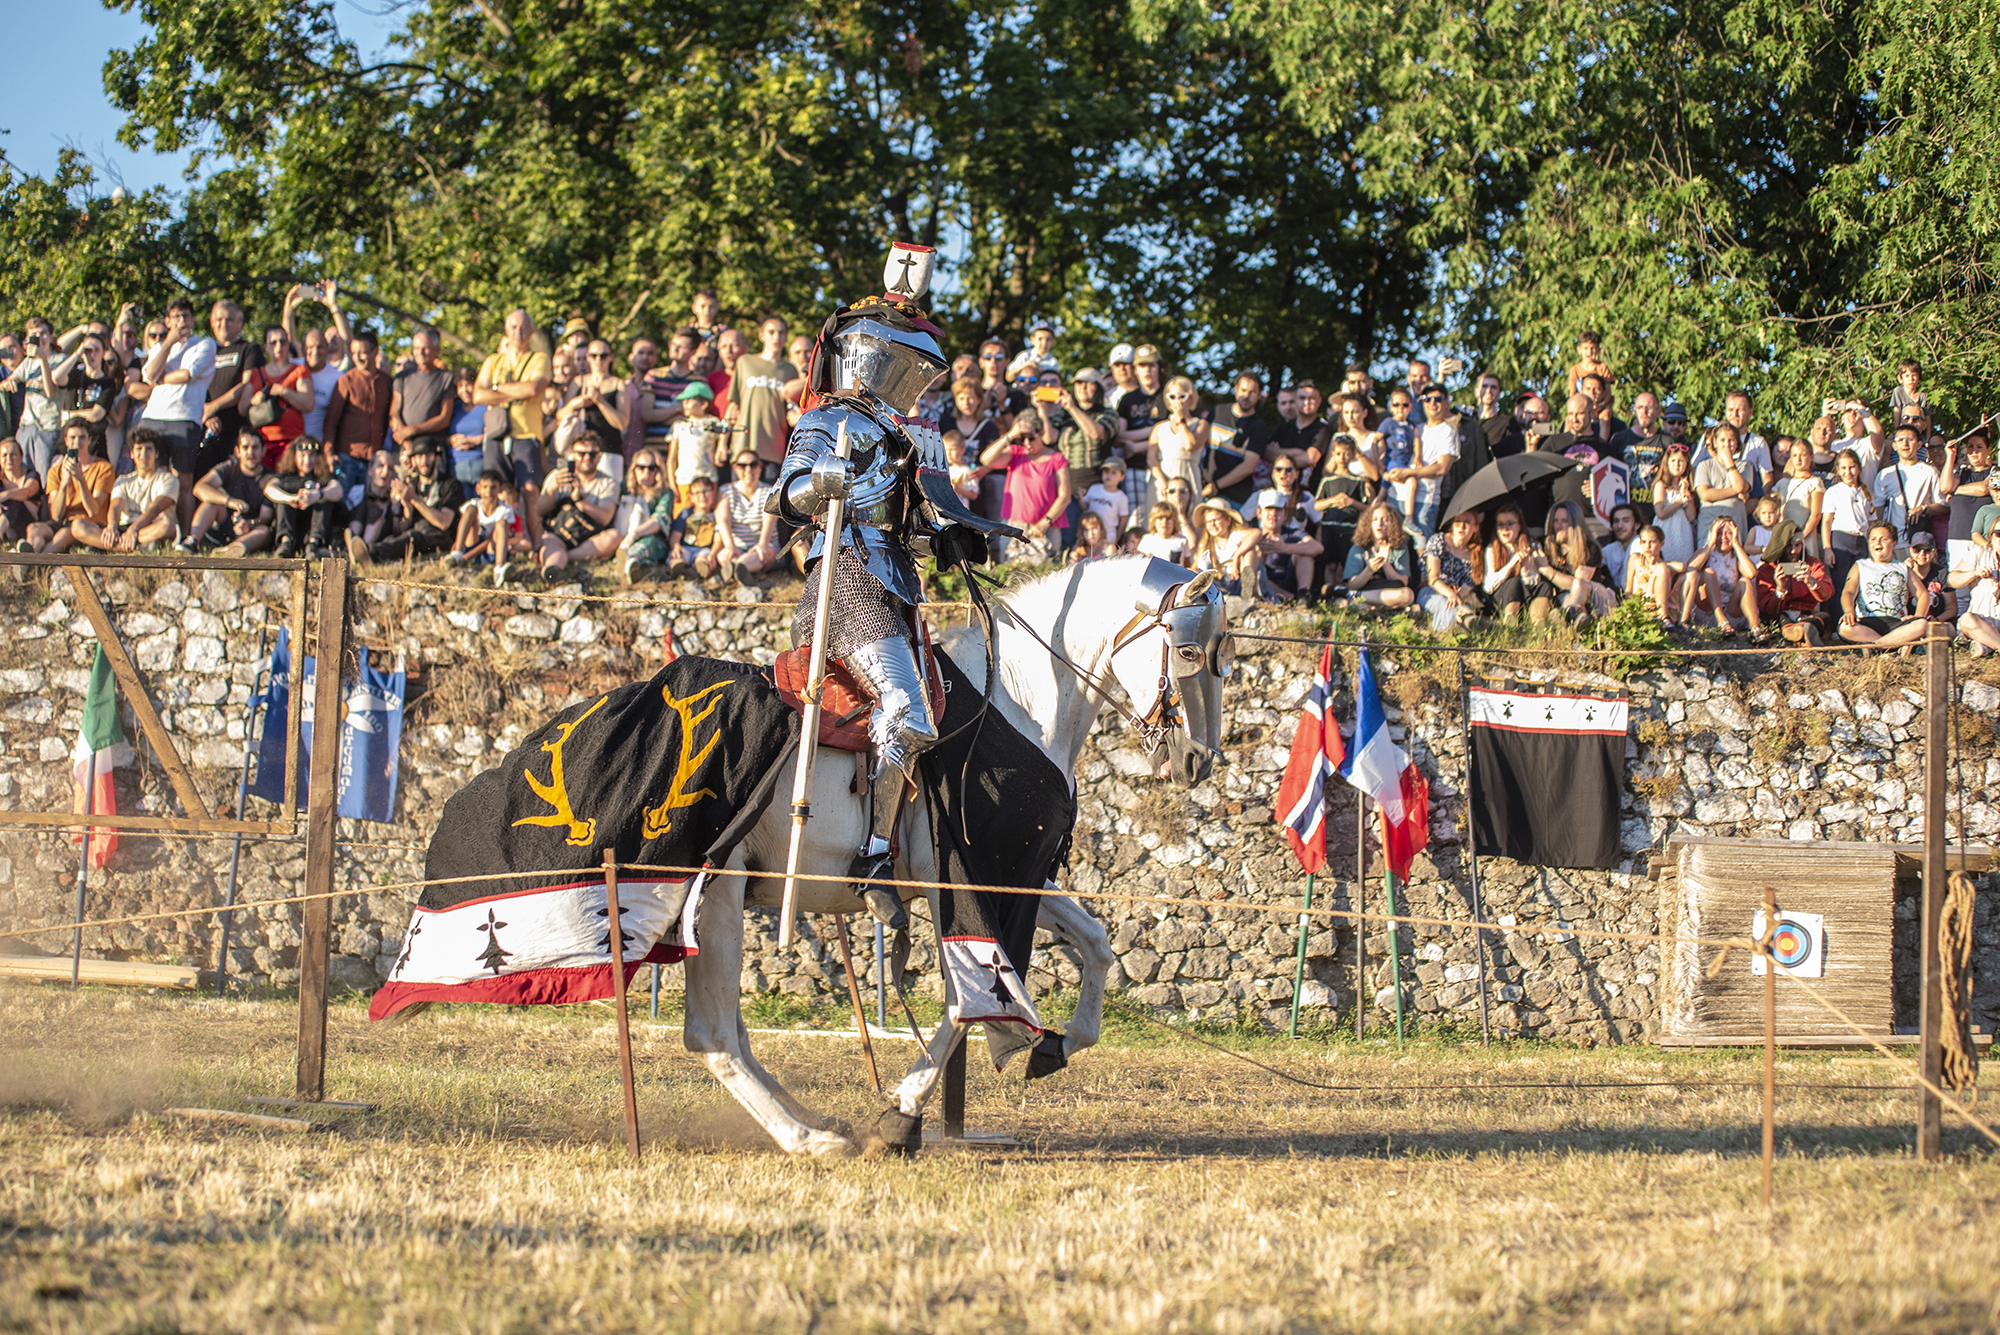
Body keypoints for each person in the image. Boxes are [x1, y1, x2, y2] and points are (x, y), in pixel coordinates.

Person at [772, 253, 1013, 924]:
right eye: (889, 360)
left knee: (952, 711)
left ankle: (925, 847)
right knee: (909, 713)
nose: (901, 375)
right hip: (845, 578)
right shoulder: (826, 422)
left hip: (898, 589)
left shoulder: (914, 437)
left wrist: (958, 536)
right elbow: (782, 497)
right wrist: (825, 482)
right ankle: (874, 853)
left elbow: (928, 522)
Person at [137, 297, 217, 531]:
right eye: (176, 317)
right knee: (155, 477)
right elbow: (149, 373)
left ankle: (186, 535)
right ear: (168, 320)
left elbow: (186, 375)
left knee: (183, 481)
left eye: (186, 316)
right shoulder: (159, 348)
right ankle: (155, 531)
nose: (182, 321)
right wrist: (169, 341)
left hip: (184, 419)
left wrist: (160, 379)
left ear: (192, 319)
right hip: (153, 417)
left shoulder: (204, 344)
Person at [475, 309, 553, 545]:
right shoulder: (493, 360)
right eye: (513, 327)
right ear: (506, 331)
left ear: (530, 331)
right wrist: (514, 390)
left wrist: (497, 389)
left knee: (530, 491)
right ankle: (495, 549)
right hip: (497, 435)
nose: (518, 332)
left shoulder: (539, 359)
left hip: (526, 434)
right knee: (495, 492)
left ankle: (538, 545)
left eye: (523, 327)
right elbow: (478, 394)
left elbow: (533, 389)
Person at [348, 439, 464, 563]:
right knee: (401, 536)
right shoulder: (411, 483)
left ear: (437, 458)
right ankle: (358, 549)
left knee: (414, 536)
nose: (424, 461)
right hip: (413, 535)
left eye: (429, 455)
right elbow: (403, 528)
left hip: (438, 536)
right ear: (413, 460)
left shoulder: (450, 484)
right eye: (419, 456)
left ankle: (371, 553)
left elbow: (444, 523)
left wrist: (414, 498)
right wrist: (406, 509)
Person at [979, 411, 1070, 563]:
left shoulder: (1056, 458)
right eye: (1022, 439)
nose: (1027, 443)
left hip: (1047, 526)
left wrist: (1045, 522)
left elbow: (1065, 496)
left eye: (1031, 438)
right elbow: (986, 460)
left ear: (1041, 433)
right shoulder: (1016, 453)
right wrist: (1010, 435)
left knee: (1047, 575)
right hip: (1014, 525)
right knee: (1011, 575)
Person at [74, 428, 177, 552]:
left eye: (149, 449)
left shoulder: (168, 479)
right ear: (132, 454)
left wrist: (134, 529)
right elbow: (116, 506)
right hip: (125, 529)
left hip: (149, 526)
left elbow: (155, 509)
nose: (144, 454)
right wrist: (112, 527)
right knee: (78, 526)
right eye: (139, 449)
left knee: (167, 526)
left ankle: (111, 547)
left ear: (156, 453)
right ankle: (131, 547)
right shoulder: (123, 480)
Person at [535, 432, 621, 578]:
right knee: (550, 542)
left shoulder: (609, 483)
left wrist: (579, 499)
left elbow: (605, 517)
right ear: (572, 456)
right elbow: (540, 511)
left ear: (599, 457)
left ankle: (566, 556)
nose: (588, 458)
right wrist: (550, 490)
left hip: (588, 538)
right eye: (582, 454)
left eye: (593, 454)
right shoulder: (558, 476)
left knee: (614, 537)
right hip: (559, 533)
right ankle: (552, 572)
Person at [197, 299, 264, 483]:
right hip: (207, 429)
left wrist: (214, 406)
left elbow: (247, 384)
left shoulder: (249, 349)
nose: (223, 324)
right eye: (219, 319)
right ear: (211, 321)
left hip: (235, 432)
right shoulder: (204, 350)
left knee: (232, 483)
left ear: (240, 323)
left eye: (229, 320)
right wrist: (207, 414)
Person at [725, 317, 803, 475]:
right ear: (762, 335)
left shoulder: (790, 370)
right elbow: (733, 407)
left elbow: (791, 411)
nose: (776, 337)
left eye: (781, 333)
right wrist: (722, 444)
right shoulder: (744, 362)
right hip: (743, 447)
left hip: (774, 448)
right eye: (771, 332)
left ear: (786, 336)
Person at [25, 422, 115, 554]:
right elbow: (56, 515)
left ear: (89, 440)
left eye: (82, 437)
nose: (77, 442)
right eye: (73, 437)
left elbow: (93, 511)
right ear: (66, 441)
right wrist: (64, 483)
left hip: (89, 525)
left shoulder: (104, 468)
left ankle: (35, 567)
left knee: (64, 534)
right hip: (65, 522)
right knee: (34, 529)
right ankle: (27, 558)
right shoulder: (55, 471)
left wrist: (80, 480)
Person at [183, 430, 277, 554]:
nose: (251, 452)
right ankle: (192, 541)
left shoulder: (270, 478)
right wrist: (229, 501)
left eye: (255, 447)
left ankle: (232, 551)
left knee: (264, 530)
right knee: (212, 502)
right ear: (237, 451)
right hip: (225, 525)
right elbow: (199, 488)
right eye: (245, 447)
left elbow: (266, 517)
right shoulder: (229, 468)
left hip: (250, 532)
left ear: (263, 451)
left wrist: (250, 524)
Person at [1840, 522, 1932, 649]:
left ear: (1894, 544)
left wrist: (1918, 616)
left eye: (1884, 539)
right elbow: (1848, 592)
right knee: (1845, 628)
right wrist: (1849, 611)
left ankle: (1876, 646)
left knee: (1922, 624)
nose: (1878, 543)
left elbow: (1922, 595)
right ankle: (1894, 644)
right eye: (1873, 539)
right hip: (1867, 623)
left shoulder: (1902, 567)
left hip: (1896, 623)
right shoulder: (1860, 565)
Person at [322, 330, 393, 490]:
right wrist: (329, 452)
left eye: (362, 352)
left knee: (368, 508)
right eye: (354, 353)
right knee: (343, 505)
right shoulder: (346, 381)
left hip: (375, 460)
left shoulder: (387, 382)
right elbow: (331, 420)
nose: (357, 357)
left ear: (375, 352)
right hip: (347, 456)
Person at [555, 339, 632, 483]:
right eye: (593, 355)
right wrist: (576, 403)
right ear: (588, 357)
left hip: (608, 451)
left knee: (609, 497)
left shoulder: (618, 384)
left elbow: (622, 423)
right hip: (580, 453)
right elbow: (560, 416)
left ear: (610, 357)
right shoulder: (578, 382)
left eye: (603, 355)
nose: (598, 360)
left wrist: (601, 401)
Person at [238, 326, 313, 470]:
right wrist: (255, 400)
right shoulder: (256, 373)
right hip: (260, 444)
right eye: (273, 342)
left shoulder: (299, 371)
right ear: (266, 346)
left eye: (283, 342)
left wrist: (283, 391)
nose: (279, 346)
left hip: (290, 441)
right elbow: (242, 408)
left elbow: (308, 404)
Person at [1751, 521, 1834, 645]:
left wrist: (1811, 582)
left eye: (1798, 545)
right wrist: (1780, 589)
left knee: (1825, 617)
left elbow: (1828, 592)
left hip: (1805, 614)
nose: (1794, 551)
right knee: (1776, 619)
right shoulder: (1767, 569)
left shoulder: (1812, 564)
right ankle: (1801, 632)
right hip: (1779, 616)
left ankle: (1802, 631)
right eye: (1789, 546)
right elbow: (1767, 608)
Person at [265, 435, 348, 558]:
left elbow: (338, 490)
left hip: (314, 528)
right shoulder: (285, 477)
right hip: (293, 525)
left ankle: (314, 544)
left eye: (312, 455)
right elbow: (269, 489)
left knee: (324, 501)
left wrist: (318, 494)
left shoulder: (323, 478)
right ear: (294, 456)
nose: (307, 460)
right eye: (302, 456)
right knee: (282, 502)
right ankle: (285, 542)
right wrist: (290, 498)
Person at [390, 327, 458, 463]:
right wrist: (406, 441)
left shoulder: (446, 378)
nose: (420, 352)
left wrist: (412, 430)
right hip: (405, 448)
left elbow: (444, 418)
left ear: (437, 350)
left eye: (425, 348)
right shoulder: (401, 378)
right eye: (416, 348)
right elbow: (394, 412)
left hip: (432, 450)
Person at [1874, 423, 1942, 554]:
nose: (1905, 444)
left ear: (1918, 444)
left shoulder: (1929, 472)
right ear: (1894, 445)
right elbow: (1878, 509)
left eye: (1910, 440)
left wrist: (1923, 509)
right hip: (1892, 543)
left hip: (1920, 542)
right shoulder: (1885, 475)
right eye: (1900, 440)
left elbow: (1943, 504)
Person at [1683, 514, 1758, 632]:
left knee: (1745, 582)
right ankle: (1721, 620)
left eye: (1728, 533)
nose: (1723, 537)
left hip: (1730, 613)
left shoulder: (1737, 557)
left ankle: (1755, 629)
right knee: (1709, 572)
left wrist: (1736, 544)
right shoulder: (1705, 551)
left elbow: (1751, 573)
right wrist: (1710, 543)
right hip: (1706, 612)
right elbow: (1690, 567)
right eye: (1719, 533)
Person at [615, 446, 678, 583]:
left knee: (647, 544)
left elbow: (659, 520)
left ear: (658, 471)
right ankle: (629, 563)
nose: (646, 472)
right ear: (634, 469)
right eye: (641, 467)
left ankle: (630, 562)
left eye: (651, 468)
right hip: (621, 535)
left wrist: (634, 535)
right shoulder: (624, 488)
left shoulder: (665, 492)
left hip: (650, 538)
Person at [1339, 501, 1418, 609]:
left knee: (1408, 595)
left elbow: (1403, 582)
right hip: (1367, 590)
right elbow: (1352, 585)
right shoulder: (1359, 548)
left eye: (1384, 520)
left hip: (1390, 593)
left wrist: (1385, 563)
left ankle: (1356, 599)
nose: (1379, 524)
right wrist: (1369, 569)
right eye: (1375, 520)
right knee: (1361, 607)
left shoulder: (1400, 548)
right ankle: (1364, 601)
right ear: (1369, 523)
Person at [1408, 385, 1462, 536]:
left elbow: (1441, 468)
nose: (1432, 403)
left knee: (1422, 553)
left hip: (1425, 501)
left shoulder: (1449, 432)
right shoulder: (1416, 428)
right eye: (1427, 399)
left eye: (1437, 399)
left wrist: (1406, 473)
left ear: (1446, 403)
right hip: (1400, 497)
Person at [716, 449, 780, 575]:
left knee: (761, 554)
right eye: (742, 466)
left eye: (753, 465)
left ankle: (738, 568)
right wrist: (730, 546)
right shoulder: (726, 490)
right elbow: (723, 520)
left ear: (760, 467)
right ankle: (741, 569)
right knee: (723, 555)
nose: (748, 470)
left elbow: (770, 520)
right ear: (735, 468)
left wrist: (762, 544)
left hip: (764, 544)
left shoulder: (769, 491)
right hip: (736, 546)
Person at [665, 382, 730, 507]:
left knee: (707, 517)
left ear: (704, 404)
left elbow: (723, 438)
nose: (684, 404)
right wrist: (672, 484)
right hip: (684, 481)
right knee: (682, 518)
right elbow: (672, 458)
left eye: (688, 400)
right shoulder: (679, 426)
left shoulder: (713, 423)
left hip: (708, 480)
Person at [1421, 508, 1486, 629]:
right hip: (1432, 592)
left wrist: (1457, 597)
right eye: (1458, 521)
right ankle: (1443, 637)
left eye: (1467, 522)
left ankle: (1470, 627)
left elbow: (1467, 587)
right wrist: (1450, 594)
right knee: (1445, 603)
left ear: (1475, 527)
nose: (1461, 526)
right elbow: (1433, 578)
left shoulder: (1476, 554)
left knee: (1462, 608)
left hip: (1461, 597)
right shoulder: (1438, 541)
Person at [1147, 375, 1207, 505]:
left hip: (1188, 477)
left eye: (1182, 396)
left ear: (1190, 398)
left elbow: (1189, 445)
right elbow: (1151, 459)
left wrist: (1181, 421)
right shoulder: (1159, 428)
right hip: (1162, 481)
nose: (1177, 401)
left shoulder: (1201, 425)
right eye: (1172, 397)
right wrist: (1162, 481)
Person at [1776, 437, 1827, 562]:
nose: (1798, 459)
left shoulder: (1815, 482)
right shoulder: (1782, 483)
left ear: (1811, 457)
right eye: (1794, 455)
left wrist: (1801, 536)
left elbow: (1815, 515)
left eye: (1803, 455)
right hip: (1784, 536)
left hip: (1805, 535)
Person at [1189, 498, 1256, 593]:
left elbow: (1256, 533)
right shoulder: (1206, 543)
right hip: (1219, 581)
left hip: (1237, 577)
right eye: (1208, 522)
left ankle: (1247, 587)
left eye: (1215, 520)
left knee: (1250, 551)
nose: (1212, 525)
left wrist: (1238, 554)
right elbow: (1195, 566)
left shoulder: (1235, 535)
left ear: (1228, 520)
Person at [1622, 524, 1680, 625]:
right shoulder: (1635, 559)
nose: (1647, 546)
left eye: (1652, 542)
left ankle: (1663, 616)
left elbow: (1682, 567)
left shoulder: (1663, 566)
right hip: (1642, 604)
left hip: (1659, 604)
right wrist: (1628, 610)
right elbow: (1629, 589)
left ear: (1661, 544)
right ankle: (1662, 617)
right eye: (1644, 542)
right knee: (1661, 569)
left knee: (1665, 570)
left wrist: (1657, 566)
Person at [669, 475, 722, 578]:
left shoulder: (716, 515)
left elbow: (718, 540)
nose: (702, 496)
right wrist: (676, 546)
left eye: (706, 491)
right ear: (691, 497)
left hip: (705, 549)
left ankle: (701, 567)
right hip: (685, 547)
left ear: (713, 494)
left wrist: (713, 554)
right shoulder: (686, 513)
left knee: (703, 556)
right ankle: (677, 567)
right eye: (697, 493)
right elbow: (675, 535)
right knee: (679, 555)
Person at [0, 438, 43, 547]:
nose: (9, 459)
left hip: (29, 523)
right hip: (6, 522)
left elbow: (26, 492)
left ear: (21, 457)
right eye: (4, 455)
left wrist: (6, 495)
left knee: (14, 501)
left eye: (13, 454)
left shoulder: (32, 475)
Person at [1083, 456, 1131, 540]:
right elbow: (1084, 507)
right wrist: (1080, 497)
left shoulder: (1122, 497)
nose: (1109, 475)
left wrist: (1117, 537)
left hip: (1108, 534)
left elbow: (1123, 519)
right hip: (1090, 533)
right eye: (1106, 471)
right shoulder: (1094, 488)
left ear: (1122, 476)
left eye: (1114, 473)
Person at [1137, 500, 1190, 565]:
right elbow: (1141, 563)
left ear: (1175, 521)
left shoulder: (1182, 540)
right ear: (1154, 521)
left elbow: (1187, 564)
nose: (1164, 522)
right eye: (1160, 518)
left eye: (1168, 519)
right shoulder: (1148, 539)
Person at [1601, 503, 1639, 590]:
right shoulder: (1612, 548)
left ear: (1637, 525)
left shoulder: (1643, 545)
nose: (1620, 526)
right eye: (1616, 521)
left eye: (1626, 521)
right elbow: (1596, 558)